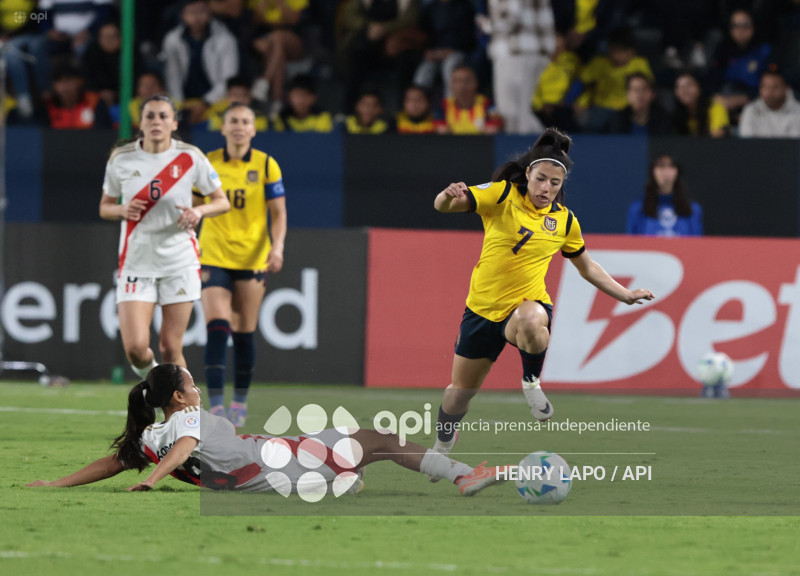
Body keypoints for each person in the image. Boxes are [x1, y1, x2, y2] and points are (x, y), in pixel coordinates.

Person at [430, 127, 654, 465]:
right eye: (541, 179)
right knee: (459, 395)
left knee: (533, 320)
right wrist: (448, 195)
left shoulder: (564, 222)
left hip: (523, 308)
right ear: (528, 175)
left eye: (555, 183)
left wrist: (624, 296)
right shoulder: (502, 196)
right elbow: (443, 206)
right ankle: (444, 438)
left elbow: (587, 266)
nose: (546, 188)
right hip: (481, 311)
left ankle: (531, 381)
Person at [26, 364, 509, 497]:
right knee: (377, 440)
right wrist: (152, 481)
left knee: (367, 445)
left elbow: (113, 463)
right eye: (191, 384)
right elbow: (187, 447)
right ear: (177, 397)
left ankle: (353, 477)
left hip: (270, 466)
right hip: (282, 464)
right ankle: (461, 474)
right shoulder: (186, 424)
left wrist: (56, 483)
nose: (196, 389)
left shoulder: (151, 438)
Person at [99, 95, 230, 380]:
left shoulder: (190, 157)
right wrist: (122, 209)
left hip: (179, 261)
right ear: (141, 122)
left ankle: (187, 416)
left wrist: (199, 212)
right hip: (136, 261)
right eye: (150, 116)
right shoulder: (122, 159)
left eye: (162, 116)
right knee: (136, 349)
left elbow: (222, 201)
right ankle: (161, 385)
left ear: (173, 122)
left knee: (171, 347)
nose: (156, 121)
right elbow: (104, 207)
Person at [195, 102, 287, 427]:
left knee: (245, 332)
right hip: (213, 253)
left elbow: (278, 213)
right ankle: (217, 407)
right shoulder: (208, 163)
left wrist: (277, 248)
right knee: (217, 326)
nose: (238, 126)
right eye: (232, 121)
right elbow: (192, 205)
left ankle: (240, 403)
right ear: (223, 128)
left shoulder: (265, 165)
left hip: (252, 258)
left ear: (253, 128)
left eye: (244, 121)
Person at [481, 0, 555, 134]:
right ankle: (548, 150)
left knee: (511, 115)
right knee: (522, 113)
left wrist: (486, 25)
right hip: (536, 51)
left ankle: (548, 151)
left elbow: (510, 17)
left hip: (514, 52)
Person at [161, 0, 239, 125]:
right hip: (183, 103)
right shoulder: (172, 40)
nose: (197, 17)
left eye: (201, 11)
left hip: (216, 102)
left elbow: (228, 79)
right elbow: (172, 77)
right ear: (182, 15)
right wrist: (179, 105)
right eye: (191, 13)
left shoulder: (226, 39)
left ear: (209, 13)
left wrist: (206, 103)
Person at [571, 27, 654, 134]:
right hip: (601, 108)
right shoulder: (599, 63)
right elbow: (581, 84)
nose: (616, 55)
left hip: (628, 108)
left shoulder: (639, 64)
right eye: (613, 50)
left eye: (621, 51)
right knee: (589, 126)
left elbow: (649, 87)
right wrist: (579, 102)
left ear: (631, 52)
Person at [626, 152, 703, 237]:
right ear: (653, 171)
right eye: (661, 166)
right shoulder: (637, 209)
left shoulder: (693, 209)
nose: (666, 172)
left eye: (671, 166)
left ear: (677, 172)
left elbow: (697, 243)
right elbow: (632, 245)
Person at [435, 64, 503, 134]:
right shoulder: (443, 106)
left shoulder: (487, 104)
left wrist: (493, 127)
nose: (463, 85)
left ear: (476, 83)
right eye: (458, 81)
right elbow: (437, 124)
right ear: (451, 85)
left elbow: (496, 122)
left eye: (467, 80)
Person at [738, 69, 800, 138]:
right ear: (760, 89)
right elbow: (747, 144)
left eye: (775, 87)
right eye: (766, 87)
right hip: (758, 149)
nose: (770, 92)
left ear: (786, 89)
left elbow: (795, 144)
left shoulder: (798, 110)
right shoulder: (751, 110)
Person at [671, 72, 730, 138]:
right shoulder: (674, 114)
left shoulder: (715, 107)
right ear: (676, 92)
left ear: (699, 88)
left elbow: (717, 137)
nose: (685, 90)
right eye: (680, 87)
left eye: (689, 85)